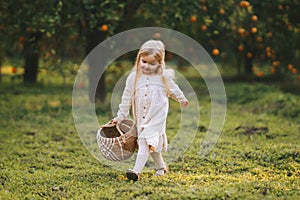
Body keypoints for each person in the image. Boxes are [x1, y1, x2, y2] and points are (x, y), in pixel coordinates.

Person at [112, 40, 189, 181]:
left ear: (160, 63)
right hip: (141, 116)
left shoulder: (163, 77)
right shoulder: (133, 78)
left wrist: (181, 99)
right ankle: (161, 166)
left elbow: (173, 90)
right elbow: (126, 98)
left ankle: (136, 171)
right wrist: (120, 116)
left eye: (152, 63)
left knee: (144, 140)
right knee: (151, 143)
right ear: (139, 59)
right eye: (144, 61)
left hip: (157, 114)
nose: (147, 66)